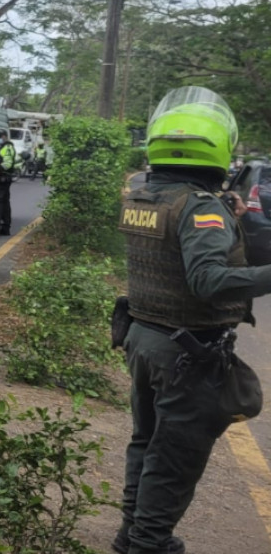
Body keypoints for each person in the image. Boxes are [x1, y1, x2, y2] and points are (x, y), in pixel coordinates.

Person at [117, 86, 271, 554]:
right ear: (219, 146)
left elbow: (178, 241)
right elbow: (207, 280)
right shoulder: (200, 206)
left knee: (145, 441)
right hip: (187, 352)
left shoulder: (144, 196)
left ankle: (132, 534)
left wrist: (223, 212)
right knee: (176, 455)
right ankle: (148, 543)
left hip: (143, 336)